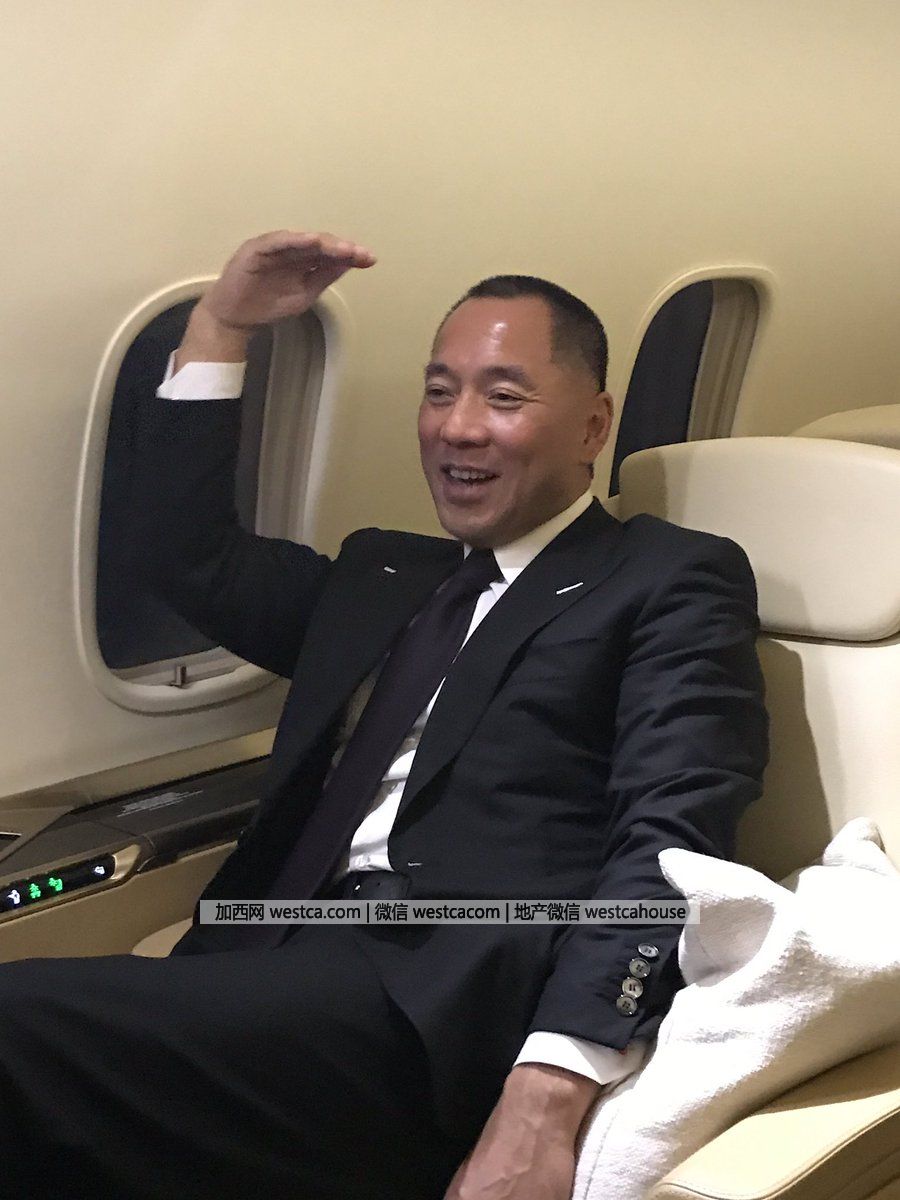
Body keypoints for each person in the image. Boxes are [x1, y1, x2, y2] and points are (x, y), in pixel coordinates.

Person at [0, 232, 767, 1200]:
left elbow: (673, 836)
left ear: (593, 425)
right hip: (270, 946)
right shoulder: (384, 572)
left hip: (435, 997)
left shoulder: (666, 578)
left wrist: (548, 1090)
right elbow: (182, 558)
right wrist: (222, 326)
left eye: (503, 397)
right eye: (439, 392)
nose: (457, 428)